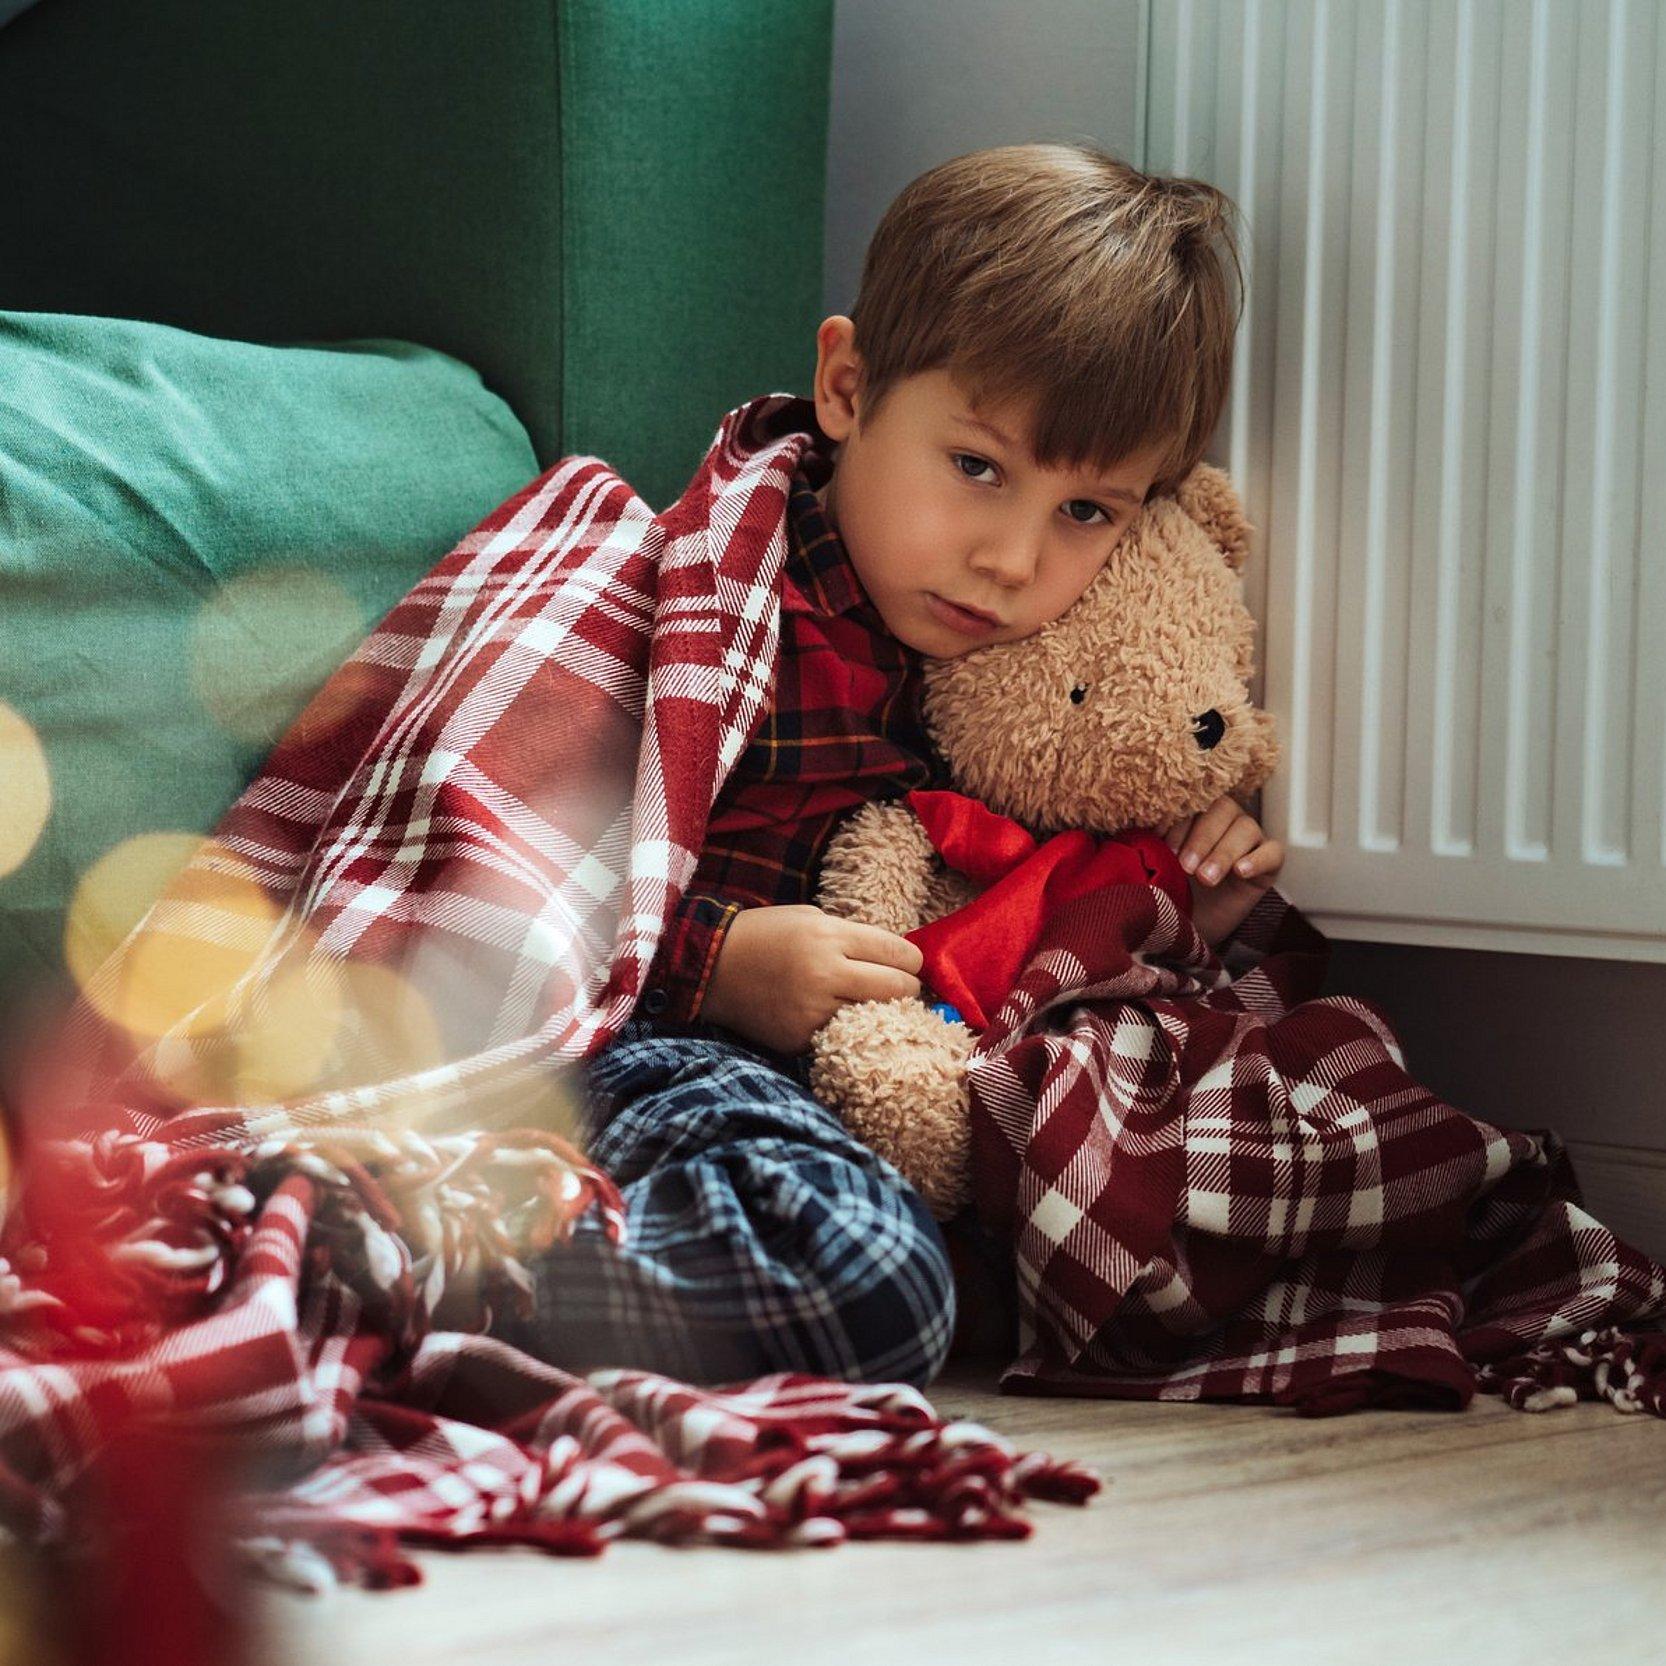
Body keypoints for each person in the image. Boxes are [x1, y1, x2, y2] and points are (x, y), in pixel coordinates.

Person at [493, 142, 1285, 1387]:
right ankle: (413, 1247)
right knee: (871, 1283)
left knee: (1144, 1249)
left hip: (843, 1098)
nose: (1013, 560)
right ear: (848, 386)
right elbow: (499, 879)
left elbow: (1005, 910)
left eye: (1087, 511)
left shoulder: (1019, 674)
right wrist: (712, 963)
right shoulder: (703, 602)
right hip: (622, 1053)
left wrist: (1177, 897)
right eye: (976, 468)